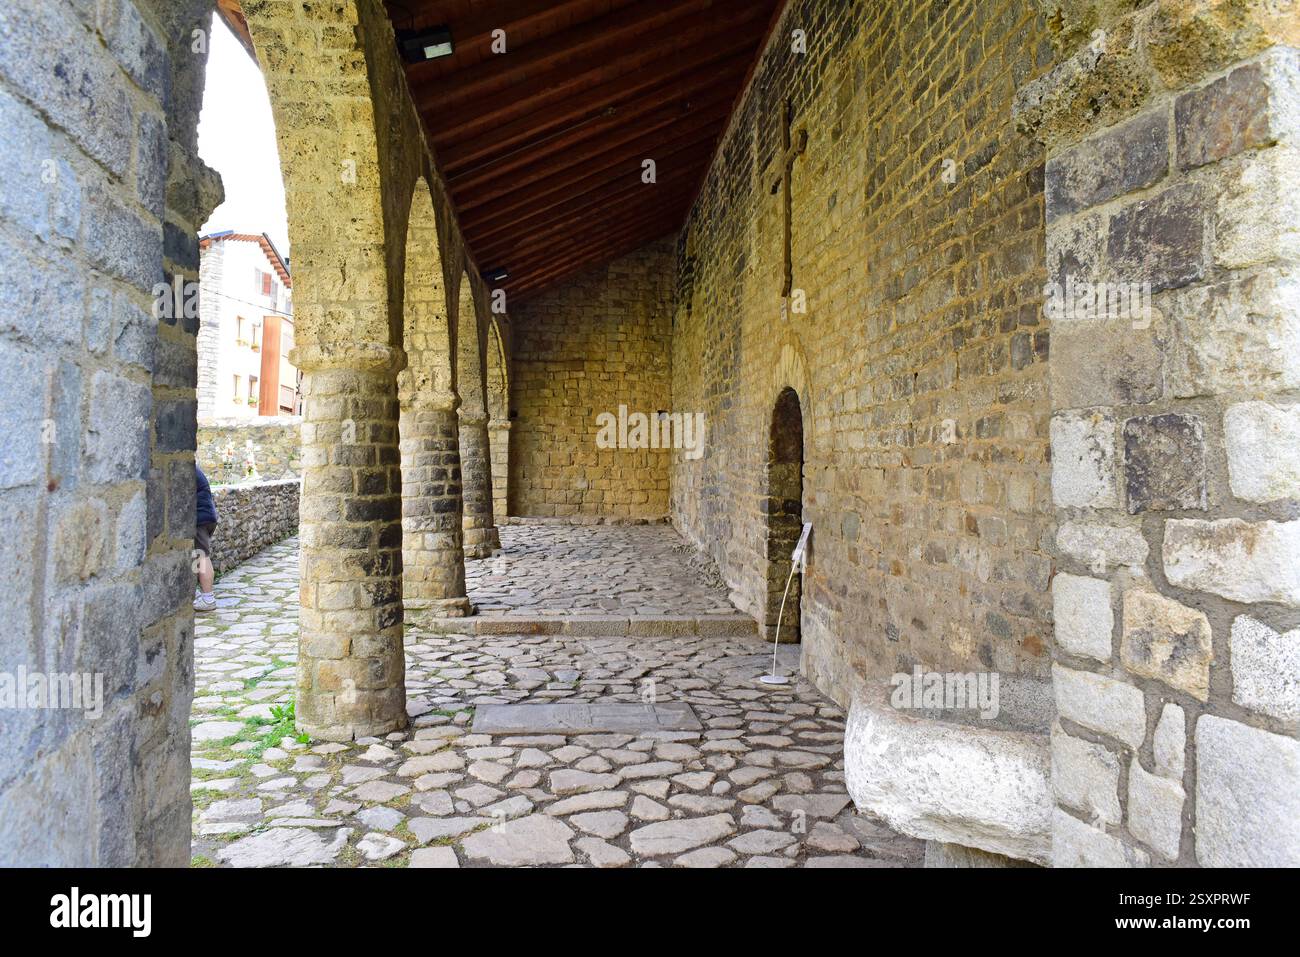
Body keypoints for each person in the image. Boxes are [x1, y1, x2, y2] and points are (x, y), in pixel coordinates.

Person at [194, 464, 219, 612]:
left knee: (202, 557)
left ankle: (208, 599)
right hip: (206, 516)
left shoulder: (187, 468)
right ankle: (197, 594)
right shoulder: (194, 469)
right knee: (196, 557)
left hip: (200, 518)